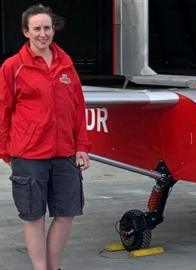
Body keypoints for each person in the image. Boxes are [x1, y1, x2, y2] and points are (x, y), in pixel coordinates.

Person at [0, 4, 91, 270]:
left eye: (47, 27)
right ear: (26, 32)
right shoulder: (12, 67)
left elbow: (78, 107)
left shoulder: (66, 63)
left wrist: (82, 146)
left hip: (64, 154)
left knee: (66, 214)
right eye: (37, 28)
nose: (43, 34)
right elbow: (3, 109)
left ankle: (53, 267)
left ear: (54, 29)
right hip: (29, 155)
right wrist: (5, 149)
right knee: (33, 217)